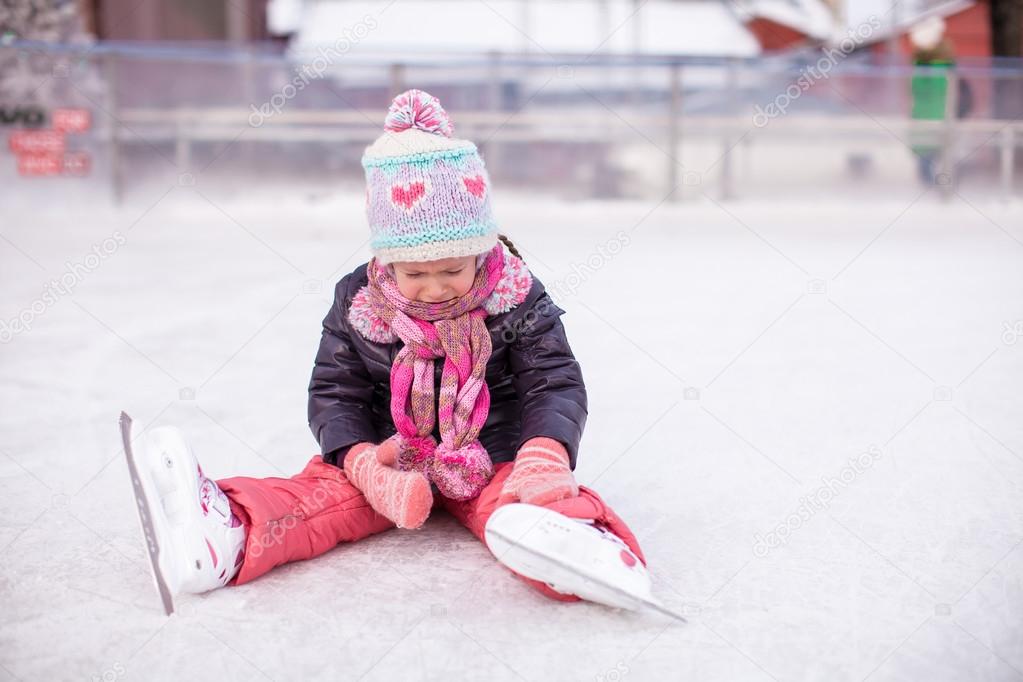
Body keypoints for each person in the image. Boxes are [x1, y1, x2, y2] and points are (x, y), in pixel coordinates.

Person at [126, 89, 652, 613]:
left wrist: (544, 453)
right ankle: (229, 533)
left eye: (453, 269)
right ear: (387, 261)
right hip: (393, 457)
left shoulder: (515, 294)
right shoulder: (359, 301)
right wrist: (361, 462)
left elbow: (552, 380)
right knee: (319, 500)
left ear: (482, 250)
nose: (436, 287)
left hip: (493, 455)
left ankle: (580, 543)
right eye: (416, 273)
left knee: (521, 504)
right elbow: (336, 390)